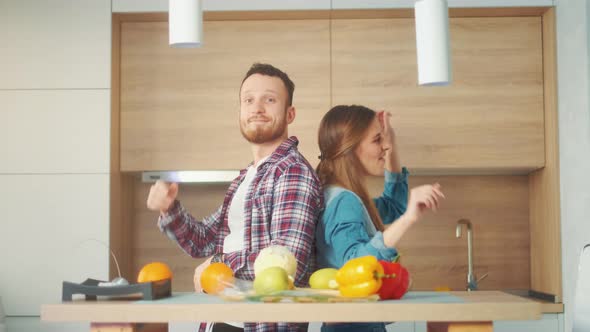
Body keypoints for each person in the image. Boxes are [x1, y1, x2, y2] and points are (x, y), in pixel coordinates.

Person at [146, 63, 323, 332]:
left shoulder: (291, 171)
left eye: (270, 99)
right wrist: (169, 209)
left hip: (261, 326)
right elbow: (203, 241)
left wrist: (220, 263)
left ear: (290, 114)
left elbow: (286, 263)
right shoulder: (247, 177)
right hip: (225, 319)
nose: (257, 108)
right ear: (240, 111)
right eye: (248, 100)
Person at [315, 105, 445, 332]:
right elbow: (354, 265)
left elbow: (393, 205)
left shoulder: (342, 196)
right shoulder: (344, 201)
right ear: (350, 149)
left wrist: (390, 142)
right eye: (377, 140)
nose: (385, 146)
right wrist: (408, 220)